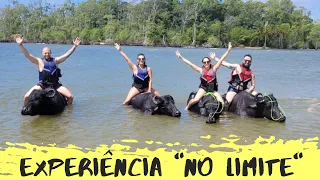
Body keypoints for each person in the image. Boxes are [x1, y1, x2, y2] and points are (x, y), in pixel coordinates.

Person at [15, 34, 81, 105]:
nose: (47, 54)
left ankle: (68, 111)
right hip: (42, 85)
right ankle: (26, 110)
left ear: (51, 53)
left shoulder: (56, 60)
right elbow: (27, 55)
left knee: (70, 97)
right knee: (26, 97)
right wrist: (20, 45)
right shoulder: (38, 61)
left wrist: (74, 46)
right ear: (42, 53)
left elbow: (66, 55)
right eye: (45, 53)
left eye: (48, 53)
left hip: (55, 85)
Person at [176, 42, 232, 110]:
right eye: (204, 62)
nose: (206, 63)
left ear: (210, 62)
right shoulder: (200, 70)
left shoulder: (214, 68)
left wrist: (229, 50)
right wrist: (180, 57)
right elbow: (190, 63)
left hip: (213, 90)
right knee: (195, 100)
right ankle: (187, 107)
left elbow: (221, 59)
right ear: (203, 63)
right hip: (203, 89)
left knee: (222, 102)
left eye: (208, 62)